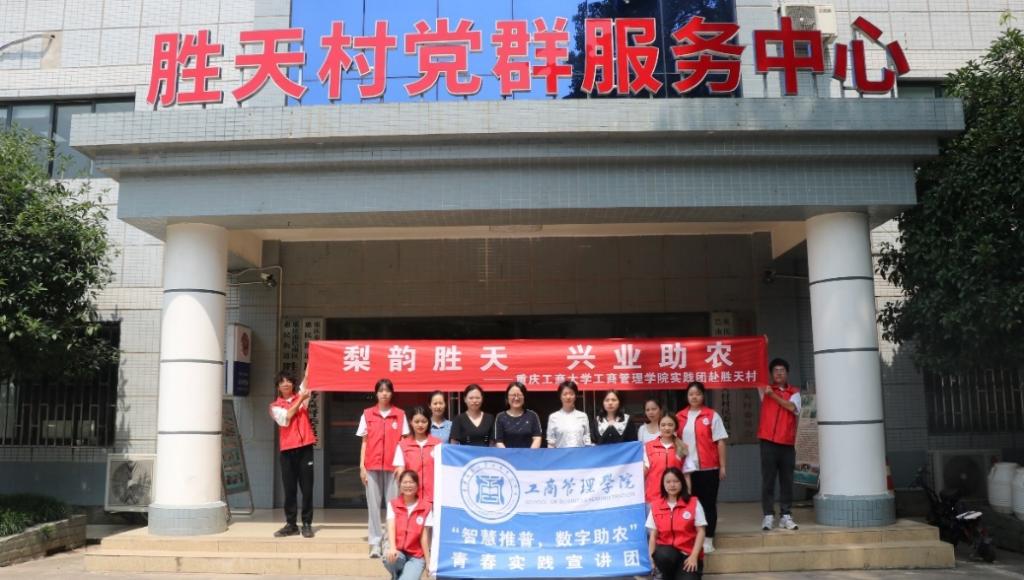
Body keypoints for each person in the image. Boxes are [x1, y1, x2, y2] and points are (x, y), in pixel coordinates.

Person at [357, 378, 409, 558]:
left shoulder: (400, 415)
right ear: (376, 393)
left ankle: (389, 543)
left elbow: (404, 442)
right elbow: (364, 442)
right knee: (373, 506)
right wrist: (362, 466)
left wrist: (401, 465)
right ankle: (375, 543)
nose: (384, 394)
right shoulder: (367, 414)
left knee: (392, 507)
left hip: (393, 468)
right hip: (371, 466)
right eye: (381, 391)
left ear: (392, 393)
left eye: (387, 390)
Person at [675, 382, 728, 554]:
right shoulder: (679, 416)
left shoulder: (712, 415)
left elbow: (720, 442)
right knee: (689, 504)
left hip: (709, 468)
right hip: (687, 471)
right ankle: (691, 538)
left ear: (703, 395)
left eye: (697, 393)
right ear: (687, 396)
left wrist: (722, 466)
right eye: (691, 394)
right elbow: (674, 440)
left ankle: (709, 538)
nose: (694, 397)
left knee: (708, 504)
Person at [268, 369, 317, 538]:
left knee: (307, 489)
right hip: (287, 451)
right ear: (278, 387)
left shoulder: (302, 397)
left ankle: (307, 524)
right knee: (289, 489)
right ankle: (291, 525)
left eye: (288, 381)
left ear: (293, 384)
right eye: (282, 382)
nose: (285, 384)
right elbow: (287, 417)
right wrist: (301, 399)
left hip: (305, 449)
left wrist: (311, 361)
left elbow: (308, 378)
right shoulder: (274, 406)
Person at [758, 357, 802, 531]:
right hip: (768, 442)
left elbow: (792, 408)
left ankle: (786, 515)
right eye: (775, 370)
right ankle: (768, 515)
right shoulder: (765, 390)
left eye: (782, 370)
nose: (778, 373)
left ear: (787, 373)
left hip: (787, 443)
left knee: (786, 480)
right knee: (768, 480)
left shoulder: (794, 392)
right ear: (771, 374)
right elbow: (757, 372)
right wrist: (762, 348)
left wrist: (773, 396)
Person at [647, 467, 707, 580]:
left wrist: (694, 556)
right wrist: (652, 561)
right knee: (663, 554)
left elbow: (701, 531)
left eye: (676, 481)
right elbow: (653, 536)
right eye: (668, 482)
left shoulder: (693, 502)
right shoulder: (656, 505)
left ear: (682, 482)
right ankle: (664, 574)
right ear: (663, 484)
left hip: (688, 555)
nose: (672, 485)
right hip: (667, 555)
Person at [383, 470, 433, 580]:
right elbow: (391, 527)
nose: (408, 485)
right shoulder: (393, 504)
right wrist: (392, 548)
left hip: (416, 556)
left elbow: (424, 537)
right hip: (398, 552)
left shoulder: (426, 507)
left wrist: (428, 561)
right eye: (405, 482)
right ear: (399, 485)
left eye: (411, 482)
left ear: (417, 485)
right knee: (389, 558)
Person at [393, 406, 442, 503]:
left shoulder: (438, 444)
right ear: (411, 422)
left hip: (434, 497)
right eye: (416, 421)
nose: (420, 425)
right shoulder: (402, 445)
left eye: (424, 421)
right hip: (411, 498)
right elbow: (400, 472)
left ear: (429, 422)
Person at [644, 414, 688, 504]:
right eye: (663, 425)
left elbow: (686, 475)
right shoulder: (648, 446)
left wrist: (687, 497)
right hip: (653, 498)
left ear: (676, 427)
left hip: (676, 499)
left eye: (670, 425)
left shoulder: (683, 447)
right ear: (659, 427)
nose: (666, 428)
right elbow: (643, 472)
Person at [494, 381, 543, 448]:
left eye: (519, 395)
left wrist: (530, 453)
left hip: (529, 454)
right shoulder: (500, 417)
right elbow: (499, 441)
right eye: (513, 395)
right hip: (506, 454)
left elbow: (537, 438)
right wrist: (507, 453)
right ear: (507, 397)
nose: (516, 398)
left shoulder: (532, 415)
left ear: (524, 396)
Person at [546, 380, 591, 448]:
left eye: (571, 394)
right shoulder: (553, 417)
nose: (568, 397)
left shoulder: (583, 416)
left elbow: (587, 439)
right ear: (560, 396)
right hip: (561, 454)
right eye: (565, 394)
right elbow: (551, 443)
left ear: (575, 396)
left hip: (580, 453)